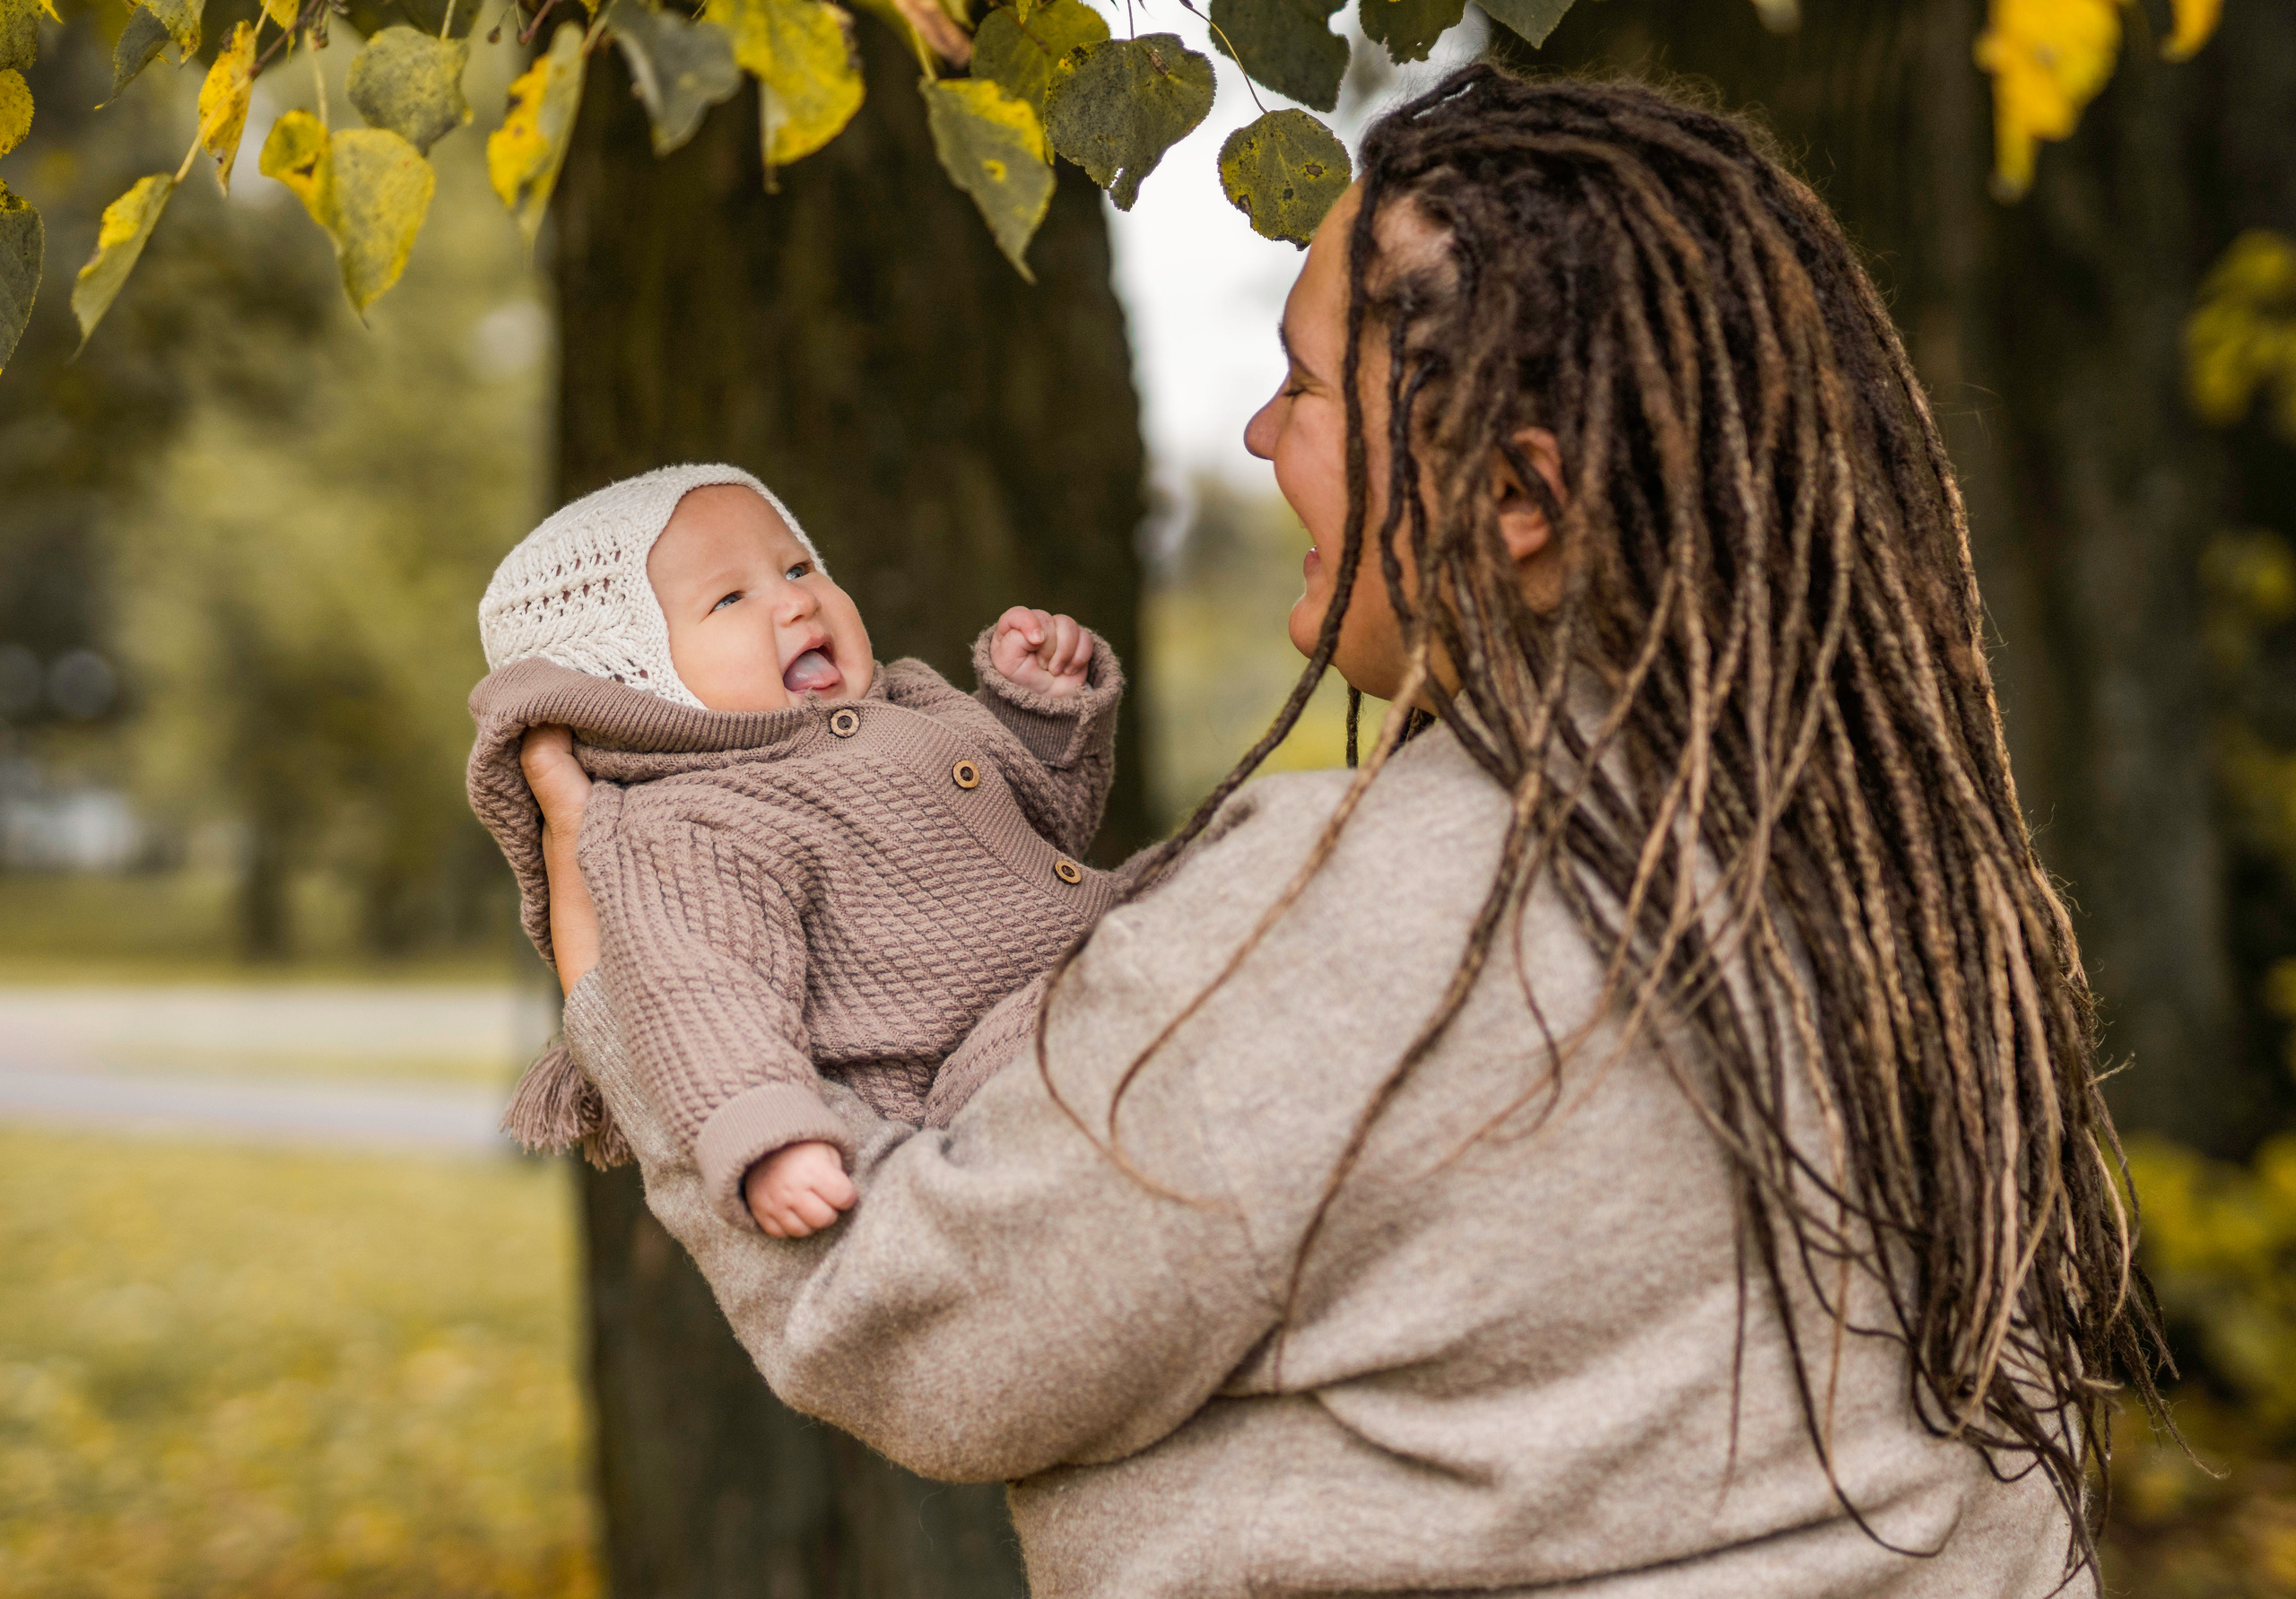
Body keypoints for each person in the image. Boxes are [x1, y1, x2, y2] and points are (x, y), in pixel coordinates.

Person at [518, 70, 2172, 1596]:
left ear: (1514, 497)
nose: (1258, 434)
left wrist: (639, 1001)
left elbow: (926, 1334)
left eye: (1305, 383)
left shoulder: (1385, 921)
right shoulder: (1855, 834)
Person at [468, 462, 1122, 1238]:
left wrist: (1036, 715)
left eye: (798, 565)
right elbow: (699, 988)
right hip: (972, 1083)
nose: (796, 598)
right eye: (730, 597)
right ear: (627, 684)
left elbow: (1044, 836)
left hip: (1081, 982)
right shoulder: (695, 821)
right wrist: (767, 1131)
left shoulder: (905, 703)